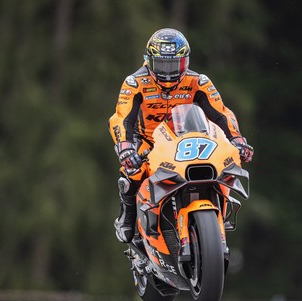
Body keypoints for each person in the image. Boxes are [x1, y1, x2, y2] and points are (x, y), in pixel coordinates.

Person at [108, 28, 254, 243]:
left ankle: (215, 214)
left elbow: (221, 113)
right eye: (162, 65)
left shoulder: (199, 82)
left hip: (186, 138)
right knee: (132, 173)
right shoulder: (134, 82)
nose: (168, 73)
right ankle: (127, 217)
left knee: (223, 165)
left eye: (175, 65)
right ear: (148, 61)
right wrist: (125, 145)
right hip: (148, 141)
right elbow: (122, 117)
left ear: (186, 61)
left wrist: (237, 140)